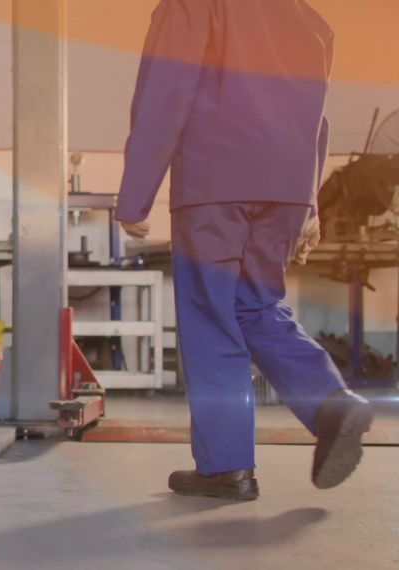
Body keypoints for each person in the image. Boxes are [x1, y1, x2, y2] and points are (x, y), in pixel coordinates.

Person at [116, 0, 374, 500]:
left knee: (210, 316)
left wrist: (136, 192)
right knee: (257, 305)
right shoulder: (306, 17)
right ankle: (330, 402)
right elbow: (316, 116)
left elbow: (166, 92)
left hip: (215, 179)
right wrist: (310, 204)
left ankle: (226, 467)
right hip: (285, 187)